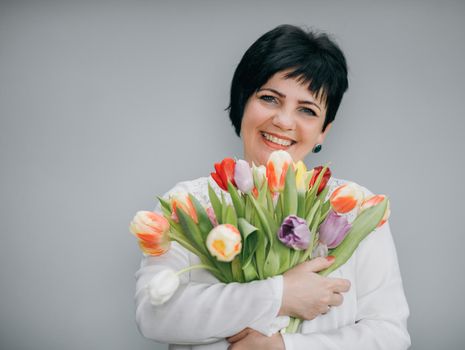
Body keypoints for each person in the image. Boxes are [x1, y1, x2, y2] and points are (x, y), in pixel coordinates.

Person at [135, 24, 410, 350]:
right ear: (242, 102)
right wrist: (279, 295)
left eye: (307, 110)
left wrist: (283, 347)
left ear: (324, 130)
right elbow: (154, 315)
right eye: (269, 98)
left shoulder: (352, 208)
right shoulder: (186, 204)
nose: (283, 121)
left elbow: (390, 335)